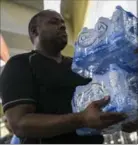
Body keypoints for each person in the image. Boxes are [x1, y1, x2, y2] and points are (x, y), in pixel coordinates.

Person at [0, 10, 127, 144]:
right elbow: (20, 124)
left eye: (63, 24)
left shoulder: (81, 66)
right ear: (34, 31)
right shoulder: (20, 64)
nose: (62, 26)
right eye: (54, 22)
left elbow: (101, 109)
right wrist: (81, 119)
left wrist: (123, 119)